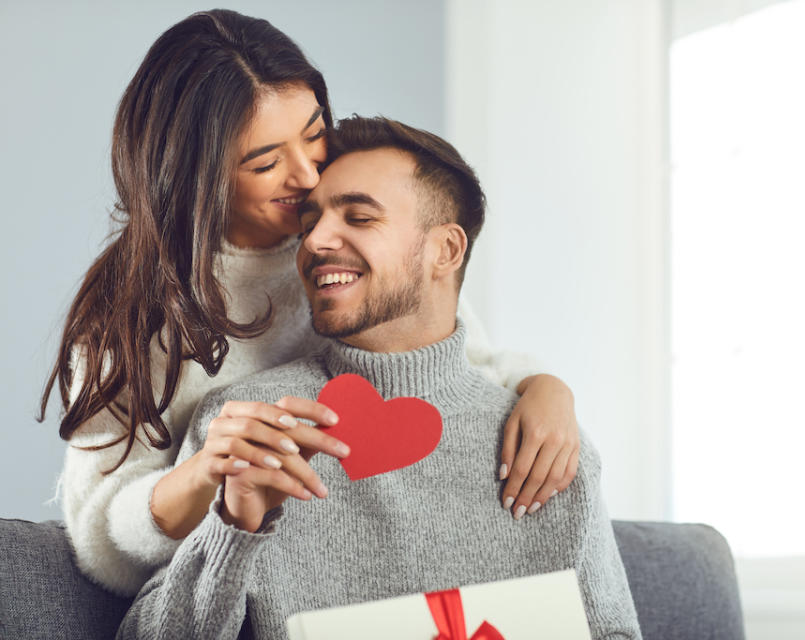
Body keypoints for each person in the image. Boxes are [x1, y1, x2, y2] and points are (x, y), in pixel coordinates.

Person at [41, 10, 580, 598]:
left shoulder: (354, 248)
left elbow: (457, 365)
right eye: (265, 162)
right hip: (232, 582)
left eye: (315, 131)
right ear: (197, 175)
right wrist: (205, 474)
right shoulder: (134, 313)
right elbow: (99, 539)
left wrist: (545, 388)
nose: (307, 172)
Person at [119, 115, 641, 640]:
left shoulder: (547, 444)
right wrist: (235, 526)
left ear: (447, 251)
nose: (316, 240)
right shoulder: (249, 427)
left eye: (360, 218)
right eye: (309, 223)